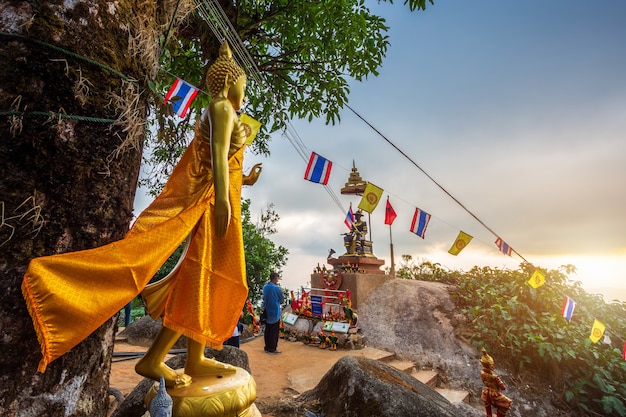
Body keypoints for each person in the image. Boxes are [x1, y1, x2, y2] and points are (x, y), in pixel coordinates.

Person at [21, 41, 262, 388]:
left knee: (206, 278)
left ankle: (193, 357)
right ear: (228, 83)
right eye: (242, 84)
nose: (244, 91)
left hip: (217, 203)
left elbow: (221, 161)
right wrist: (223, 199)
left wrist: (247, 180)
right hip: (212, 205)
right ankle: (151, 358)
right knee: (203, 277)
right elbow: (218, 154)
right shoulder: (222, 107)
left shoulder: (225, 111)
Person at [480, 348, 512, 417]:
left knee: (487, 403)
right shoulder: (495, 377)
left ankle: (489, 415)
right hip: (494, 394)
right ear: (490, 366)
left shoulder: (482, 373)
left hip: (486, 392)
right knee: (506, 403)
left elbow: (483, 381)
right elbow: (503, 388)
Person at [262, 272, 284, 354]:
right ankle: (272, 348)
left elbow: (264, 298)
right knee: (274, 331)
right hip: (274, 311)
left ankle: (267, 347)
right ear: (275, 278)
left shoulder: (265, 287)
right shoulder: (276, 288)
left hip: (267, 310)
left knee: (268, 329)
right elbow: (281, 299)